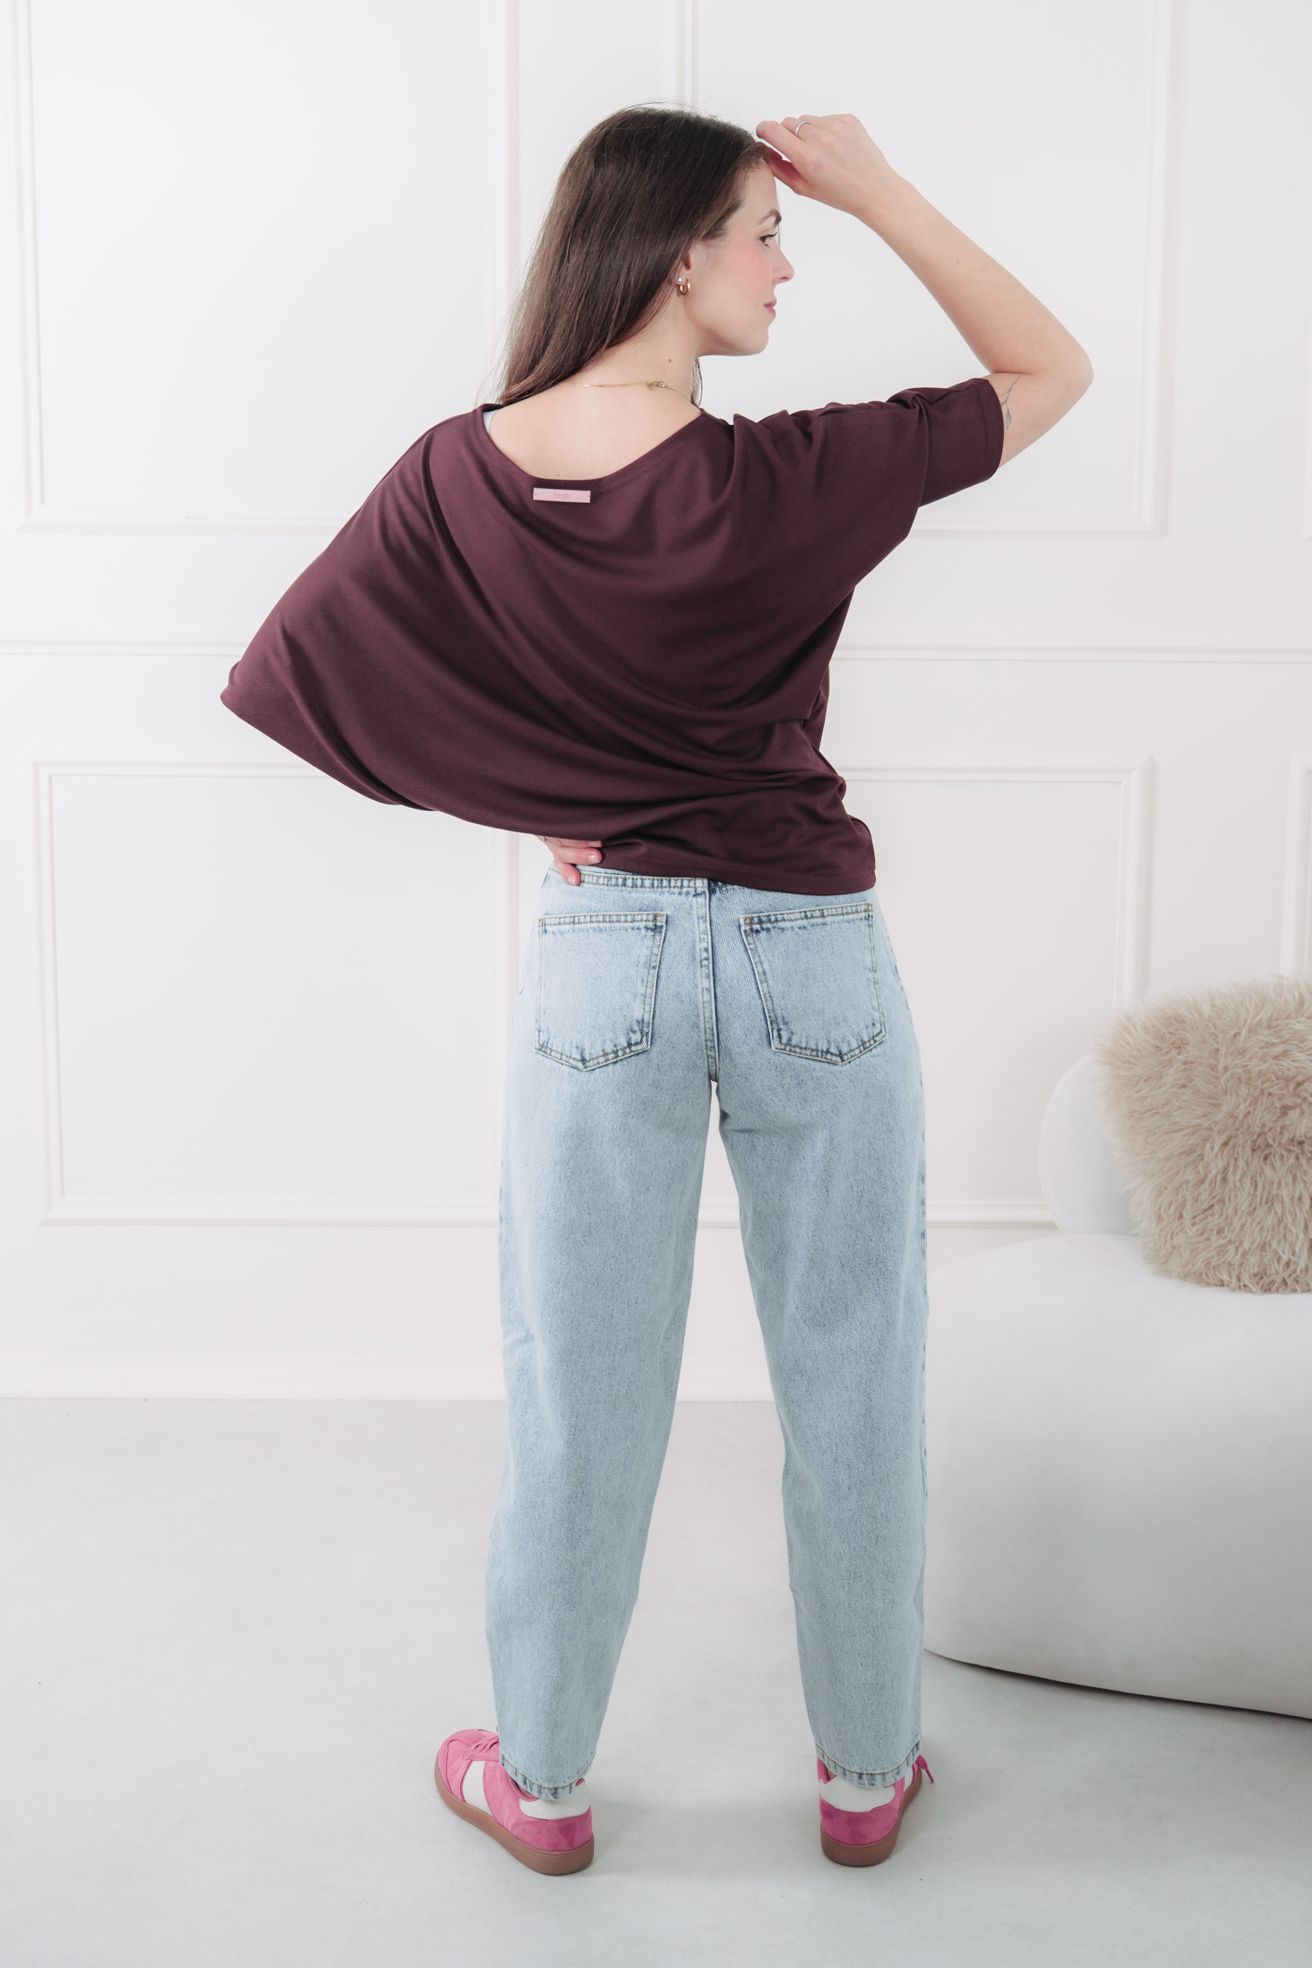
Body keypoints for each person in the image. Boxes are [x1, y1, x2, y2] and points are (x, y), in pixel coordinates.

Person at [221, 104, 1092, 1876]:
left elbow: (296, 675)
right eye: (768, 231)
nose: (787, 266)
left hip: (603, 956)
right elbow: (1049, 368)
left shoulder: (455, 474)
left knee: (579, 1386)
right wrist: (883, 188)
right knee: (854, 1372)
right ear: (681, 252)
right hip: (808, 953)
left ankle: (538, 1781)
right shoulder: (784, 478)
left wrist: (551, 804)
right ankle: (866, 1774)